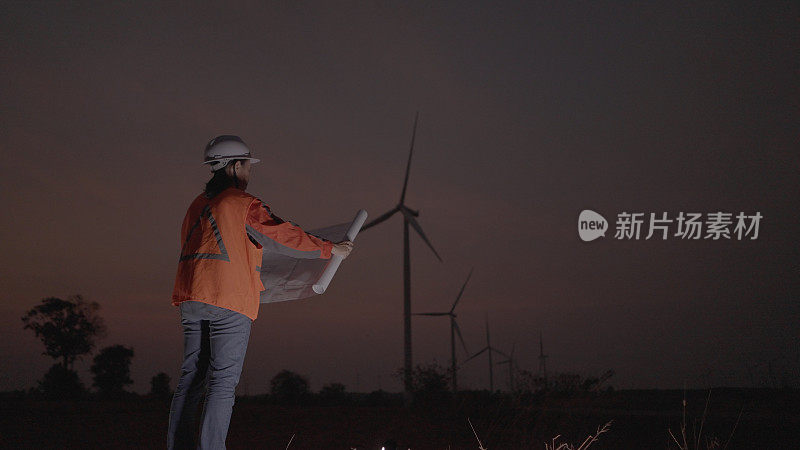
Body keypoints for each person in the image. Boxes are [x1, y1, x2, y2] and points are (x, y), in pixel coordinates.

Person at [167, 135, 354, 449]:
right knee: (222, 384)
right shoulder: (242, 204)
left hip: (190, 297)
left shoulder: (196, 206)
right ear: (237, 166)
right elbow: (281, 235)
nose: (249, 172)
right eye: (248, 166)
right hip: (228, 301)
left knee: (190, 379)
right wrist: (329, 249)